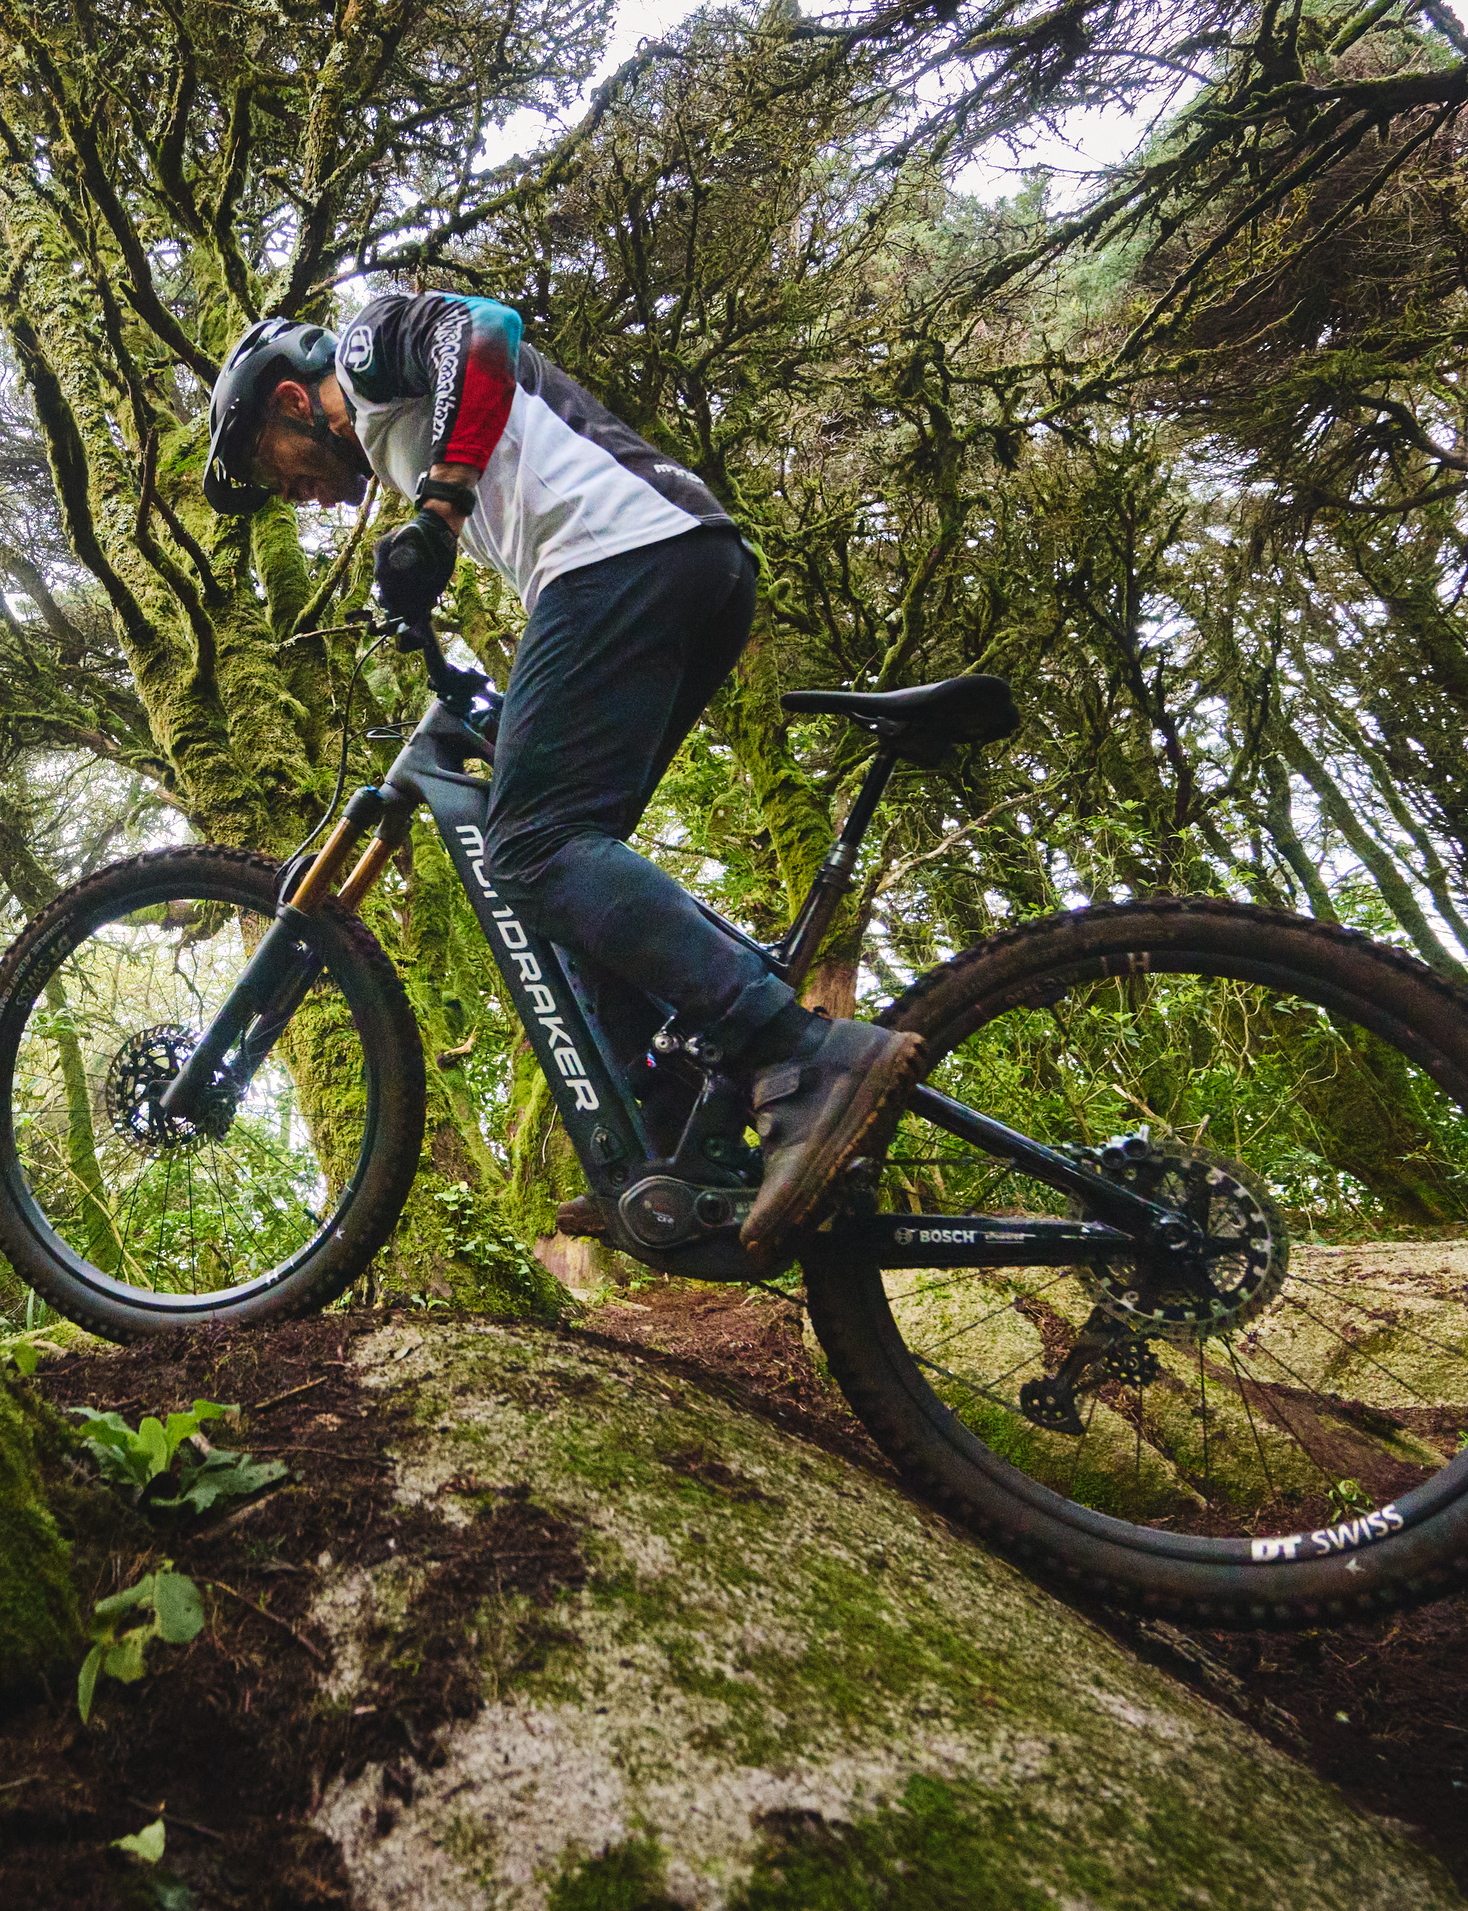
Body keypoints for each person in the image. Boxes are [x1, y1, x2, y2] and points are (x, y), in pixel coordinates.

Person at [200, 296, 928, 1268]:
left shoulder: (367, 356)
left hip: (620, 552)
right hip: (677, 560)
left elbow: (484, 331)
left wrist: (438, 513)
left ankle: (797, 1052)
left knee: (530, 848)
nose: (295, 496)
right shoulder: (399, 438)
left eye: (271, 469)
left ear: (293, 401)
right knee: (573, 869)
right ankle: (676, 1129)